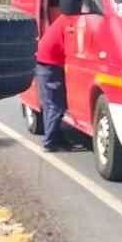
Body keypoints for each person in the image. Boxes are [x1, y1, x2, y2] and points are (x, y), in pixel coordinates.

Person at [34, 11, 70, 151]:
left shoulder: (64, 19)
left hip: (45, 63)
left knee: (51, 104)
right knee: (55, 105)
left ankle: (57, 138)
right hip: (49, 65)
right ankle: (49, 142)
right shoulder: (69, 21)